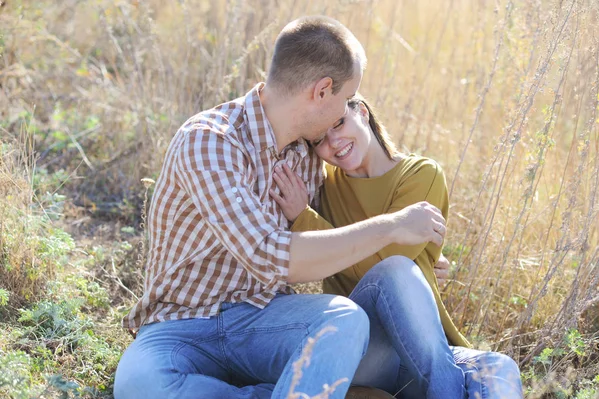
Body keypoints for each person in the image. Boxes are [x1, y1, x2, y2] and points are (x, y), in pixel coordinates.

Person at [113, 16, 460, 399]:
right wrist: (392, 226)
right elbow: (266, 253)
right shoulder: (209, 141)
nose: (348, 108)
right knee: (139, 384)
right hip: (181, 325)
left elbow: (338, 230)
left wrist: (420, 259)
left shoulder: (309, 159)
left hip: (268, 322)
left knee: (345, 321)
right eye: (347, 99)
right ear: (322, 91)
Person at [270, 95, 524, 398]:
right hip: (360, 344)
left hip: (424, 344)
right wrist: (303, 218)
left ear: (362, 112)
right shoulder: (323, 184)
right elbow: (384, 271)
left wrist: (306, 220)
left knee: (499, 367)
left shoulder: (421, 175)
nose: (334, 141)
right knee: (395, 270)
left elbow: (382, 262)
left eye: (339, 123)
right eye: (320, 139)